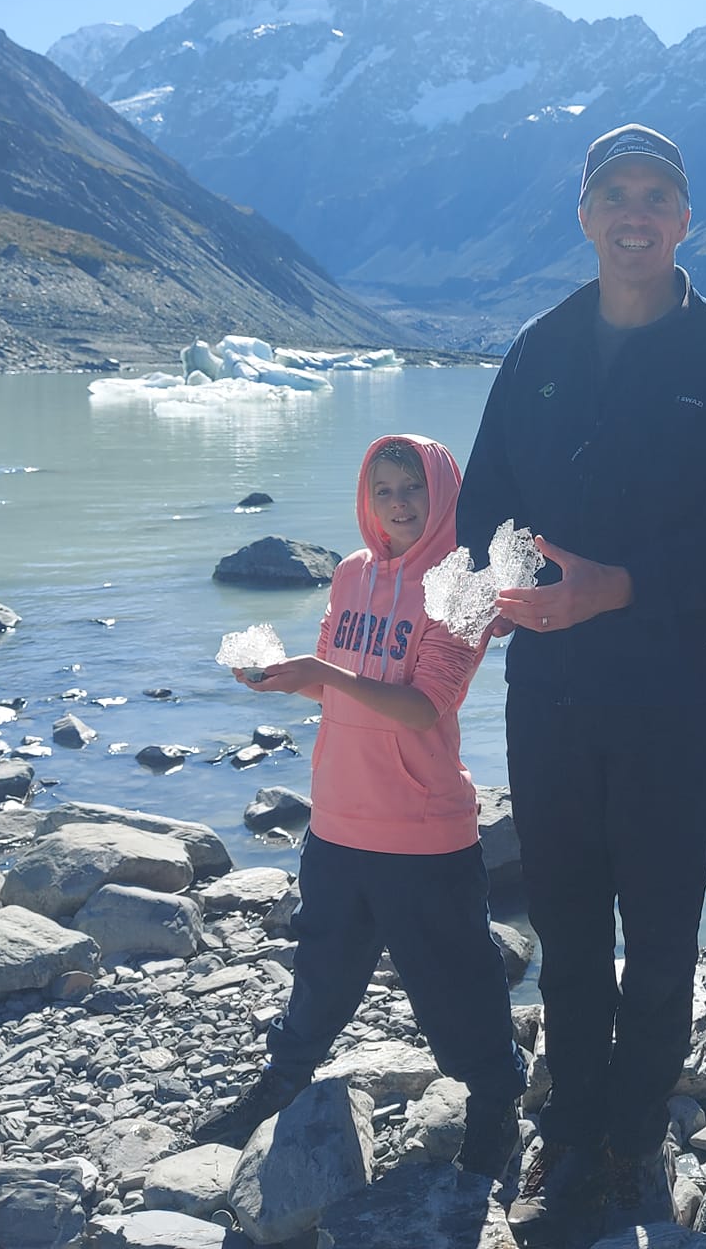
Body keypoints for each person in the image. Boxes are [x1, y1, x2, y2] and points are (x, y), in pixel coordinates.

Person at [456, 123, 706, 1247]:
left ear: (684, 219)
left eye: (655, 196)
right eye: (615, 196)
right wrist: (503, 588)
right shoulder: (537, 346)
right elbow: (480, 508)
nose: (634, 215)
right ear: (585, 216)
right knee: (566, 920)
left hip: (671, 692)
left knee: (663, 920)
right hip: (547, 688)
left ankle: (632, 1138)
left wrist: (622, 585)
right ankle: (571, 1127)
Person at [193, 434, 526, 1181]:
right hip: (339, 818)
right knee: (322, 969)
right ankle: (282, 1082)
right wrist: (286, 676)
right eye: (384, 490)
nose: (399, 504)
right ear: (366, 499)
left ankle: (496, 1105)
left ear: (443, 492)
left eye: (414, 488)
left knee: (455, 984)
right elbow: (333, 679)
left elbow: (426, 705)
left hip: (423, 830)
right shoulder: (350, 573)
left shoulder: (464, 585)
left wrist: (325, 671)